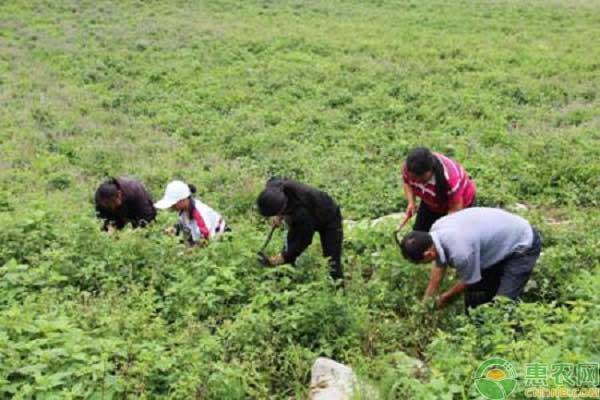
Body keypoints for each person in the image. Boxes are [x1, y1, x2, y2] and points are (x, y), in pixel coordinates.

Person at [400, 207, 542, 312]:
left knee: (503, 304)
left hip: (522, 244)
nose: (423, 265)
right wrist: (428, 299)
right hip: (498, 238)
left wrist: (444, 299)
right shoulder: (436, 230)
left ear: (428, 254)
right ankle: (478, 324)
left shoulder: (461, 252)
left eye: (419, 262)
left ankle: (512, 340)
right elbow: (439, 263)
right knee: (476, 297)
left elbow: (469, 281)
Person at [256, 178, 343, 281]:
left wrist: (284, 256)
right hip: (305, 211)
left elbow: (303, 240)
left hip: (329, 216)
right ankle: (285, 276)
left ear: (282, 208)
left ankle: (336, 286)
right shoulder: (273, 187)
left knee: (332, 259)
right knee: (290, 242)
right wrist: (278, 216)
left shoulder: (301, 214)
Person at [401, 147, 476, 232]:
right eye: (413, 178)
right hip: (432, 202)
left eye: (421, 179)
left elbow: (455, 210)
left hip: (457, 204)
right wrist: (411, 202)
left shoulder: (449, 179)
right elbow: (407, 182)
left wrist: (440, 229)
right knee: (418, 235)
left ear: (431, 170)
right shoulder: (408, 167)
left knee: (448, 236)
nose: (416, 181)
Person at [154, 180, 227, 246]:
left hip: (220, 238)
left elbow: (205, 239)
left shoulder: (199, 213)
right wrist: (175, 229)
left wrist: (189, 252)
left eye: (174, 203)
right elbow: (186, 225)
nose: (171, 206)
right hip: (202, 236)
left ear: (183, 200)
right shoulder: (183, 210)